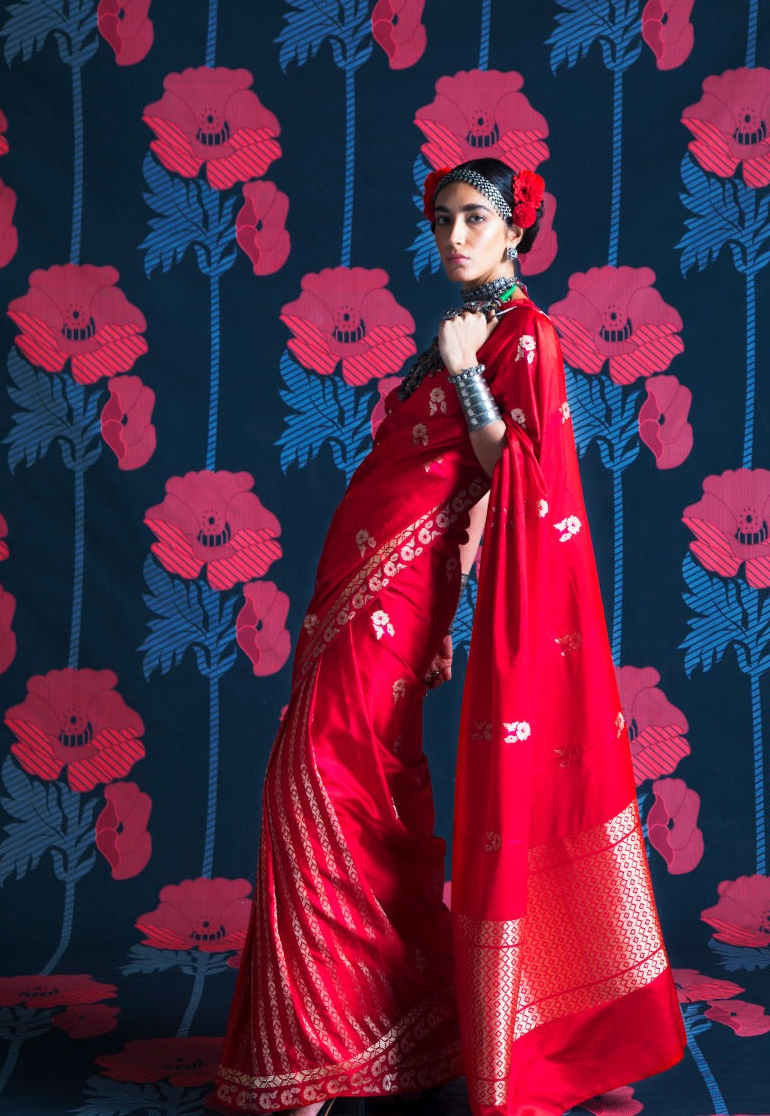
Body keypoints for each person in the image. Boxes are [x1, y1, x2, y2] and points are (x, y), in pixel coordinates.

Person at [211, 159, 686, 1116]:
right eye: (443, 220)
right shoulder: (461, 336)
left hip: (392, 596)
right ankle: (391, 1029)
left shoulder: (520, 338)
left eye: (477, 219)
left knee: (319, 782)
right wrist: (445, 610)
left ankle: (313, 1057)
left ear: (518, 232)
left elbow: (515, 473)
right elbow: (459, 506)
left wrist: (468, 373)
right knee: (361, 795)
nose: (457, 237)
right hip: (370, 597)